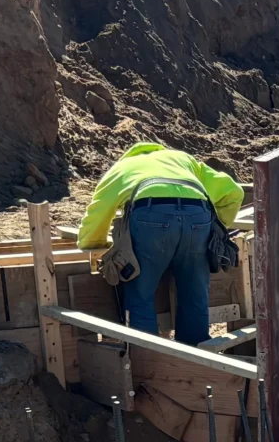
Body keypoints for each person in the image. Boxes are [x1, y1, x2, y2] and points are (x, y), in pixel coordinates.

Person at [74, 142, 243, 347]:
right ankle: (196, 360)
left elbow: (99, 211)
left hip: (150, 216)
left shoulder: (122, 168)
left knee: (140, 293)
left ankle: (149, 362)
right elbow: (234, 193)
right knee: (195, 295)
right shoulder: (183, 159)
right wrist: (216, 229)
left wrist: (93, 242)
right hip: (197, 216)